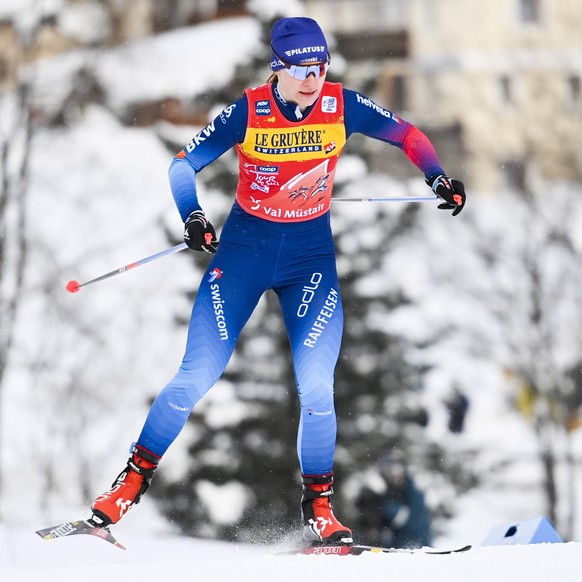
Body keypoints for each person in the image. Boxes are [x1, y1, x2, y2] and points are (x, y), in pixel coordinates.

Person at [90, 16, 465, 546]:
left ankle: (319, 509)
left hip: (309, 261)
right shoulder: (248, 111)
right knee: (196, 375)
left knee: (317, 387)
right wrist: (193, 217)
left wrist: (437, 177)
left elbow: (406, 133)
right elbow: (182, 165)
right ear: (277, 68)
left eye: (320, 67)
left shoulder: (342, 106)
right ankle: (127, 487)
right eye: (301, 69)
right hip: (243, 257)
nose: (313, 79)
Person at [355, 451, 432, 549]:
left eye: (397, 469)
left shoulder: (412, 491)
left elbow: (414, 522)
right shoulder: (386, 490)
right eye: (388, 470)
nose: (393, 475)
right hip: (389, 548)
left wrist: (388, 507)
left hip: (415, 548)